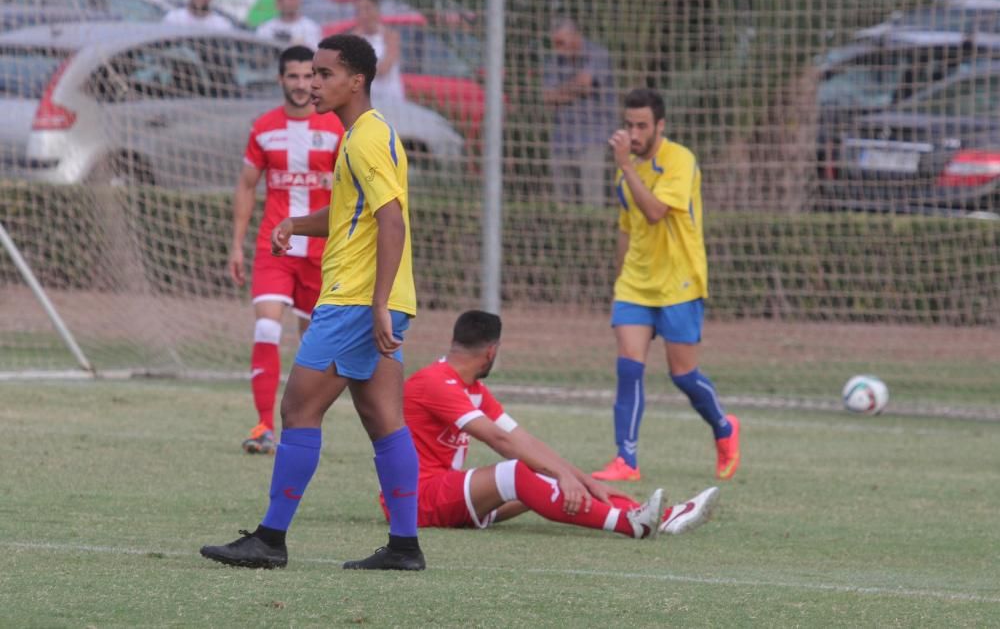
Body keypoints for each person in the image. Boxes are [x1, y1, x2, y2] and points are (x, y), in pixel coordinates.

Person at [201, 34, 424, 571]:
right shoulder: (362, 136)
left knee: (299, 408)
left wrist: (373, 304)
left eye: (325, 74)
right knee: (383, 418)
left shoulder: (366, 139)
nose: (314, 84)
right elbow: (357, 214)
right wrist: (297, 223)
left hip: (354, 301)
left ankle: (270, 540)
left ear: (356, 81)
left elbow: (391, 220)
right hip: (377, 300)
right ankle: (404, 546)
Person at [390, 310, 720, 539]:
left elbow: (523, 439)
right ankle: (632, 524)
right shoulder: (433, 382)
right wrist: (563, 475)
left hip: (445, 495)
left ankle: (657, 515)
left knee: (537, 472)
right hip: (414, 502)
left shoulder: (473, 388)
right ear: (492, 351)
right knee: (516, 472)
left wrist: (584, 480)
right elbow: (500, 441)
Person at [592, 88, 741, 483]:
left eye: (642, 126)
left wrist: (625, 166)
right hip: (636, 286)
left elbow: (656, 212)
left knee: (683, 375)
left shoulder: (680, 160)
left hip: (679, 283)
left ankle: (724, 428)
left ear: (661, 126)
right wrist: (619, 280)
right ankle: (626, 459)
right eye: (629, 125)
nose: (634, 133)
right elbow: (627, 229)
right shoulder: (626, 174)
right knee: (628, 367)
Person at [229, 45, 344, 455]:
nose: (300, 84)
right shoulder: (263, 128)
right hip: (273, 246)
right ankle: (262, 425)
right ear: (281, 80)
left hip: (321, 249)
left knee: (314, 342)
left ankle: (302, 424)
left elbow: (348, 192)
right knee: (265, 327)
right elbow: (246, 185)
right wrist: (236, 247)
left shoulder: (334, 129)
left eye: (306, 76)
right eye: (292, 77)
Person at [542, 18, 617, 206]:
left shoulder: (597, 55)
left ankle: (592, 234)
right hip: (562, 139)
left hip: (593, 137)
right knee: (563, 202)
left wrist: (562, 91)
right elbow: (548, 98)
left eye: (561, 42)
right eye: (555, 44)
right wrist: (575, 88)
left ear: (576, 37)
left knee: (592, 201)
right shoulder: (554, 61)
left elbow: (585, 85)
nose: (558, 48)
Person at [351, 0, 406, 109]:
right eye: (359, 11)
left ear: (377, 10)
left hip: (390, 99)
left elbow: (384, 69)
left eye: (368, 9)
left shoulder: (390, 36)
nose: (364, 15)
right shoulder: (355, 38)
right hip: (366, 101)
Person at [256, 0, 323, 48]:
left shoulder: (311, 28)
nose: (286, 2)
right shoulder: (265, 28)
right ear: (276, 1)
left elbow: (314, 55)